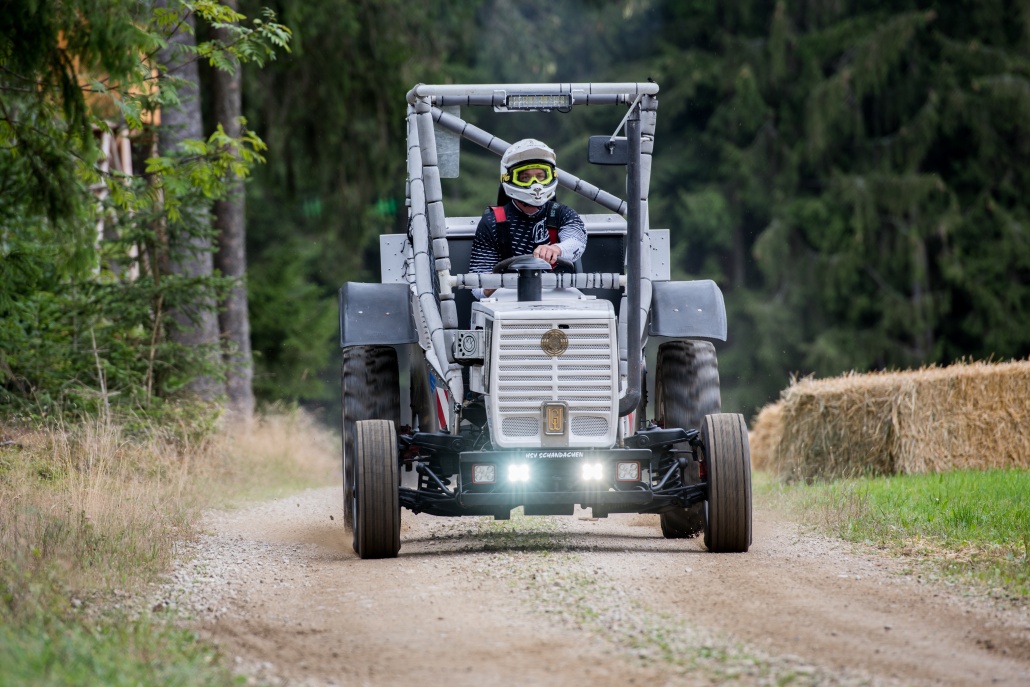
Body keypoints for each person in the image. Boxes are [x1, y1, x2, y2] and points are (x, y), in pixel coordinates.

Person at [468, 139, 586, 298]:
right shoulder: (492, 221)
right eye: (525, 177)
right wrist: (489, 287)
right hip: (509, 302)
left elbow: (577, 240)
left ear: (551, 176)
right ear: (508, 178)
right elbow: (477, 286)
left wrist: (556, 249)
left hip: (559, 300)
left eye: (540, 176)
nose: (535, 184)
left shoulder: (563, 213)